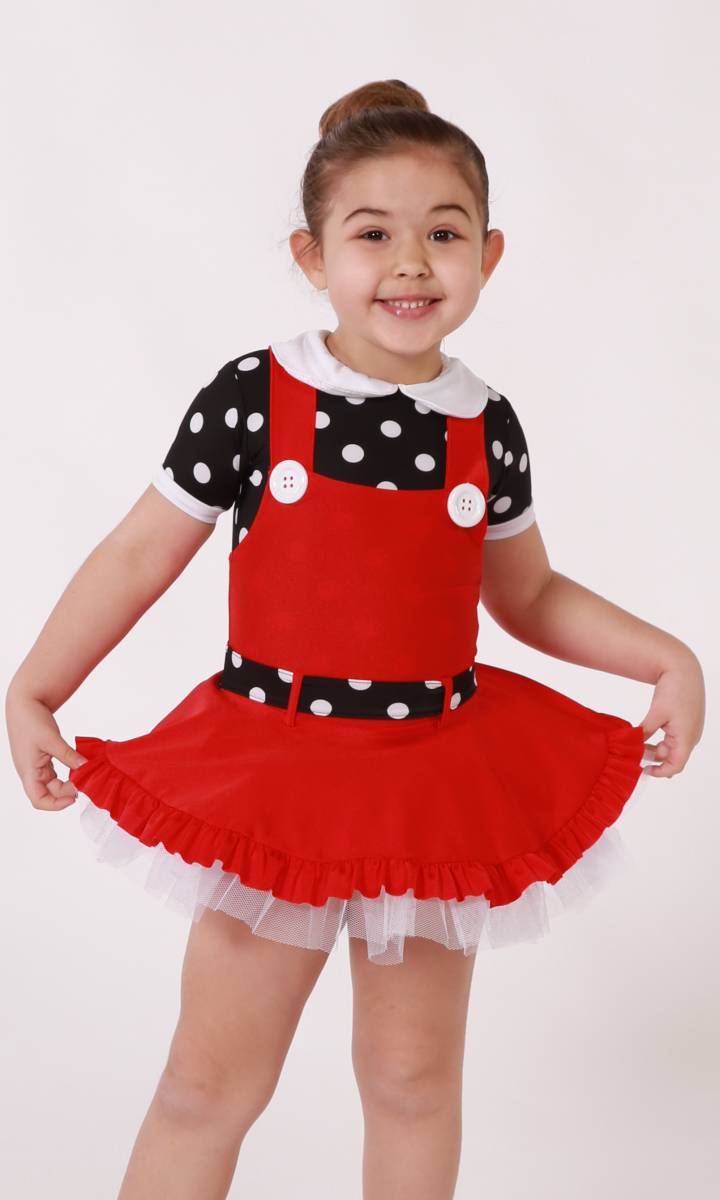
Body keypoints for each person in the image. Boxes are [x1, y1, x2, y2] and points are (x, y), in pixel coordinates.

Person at [5, 78, 705, 1200]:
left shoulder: (486, 426)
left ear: (491, 255)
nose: (411, 264)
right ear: (312, 253)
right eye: (373, 234)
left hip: (432, 787)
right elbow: (139, 553)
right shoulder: (255, 397)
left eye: (445, 234)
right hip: (276, 782)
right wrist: (35, 688)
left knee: (413, 1082)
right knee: (208, 1085)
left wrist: (666, 655)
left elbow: (526, 594)